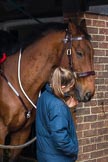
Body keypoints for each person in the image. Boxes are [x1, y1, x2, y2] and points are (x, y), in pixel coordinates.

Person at [36, 67, 79, 162]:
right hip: (58, 158)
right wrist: (74, 150)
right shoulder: (58, 105)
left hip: (45, 155)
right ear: (63, 87)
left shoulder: (44, 96)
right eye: (70, 86)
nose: (70, 89)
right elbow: (60, 138)